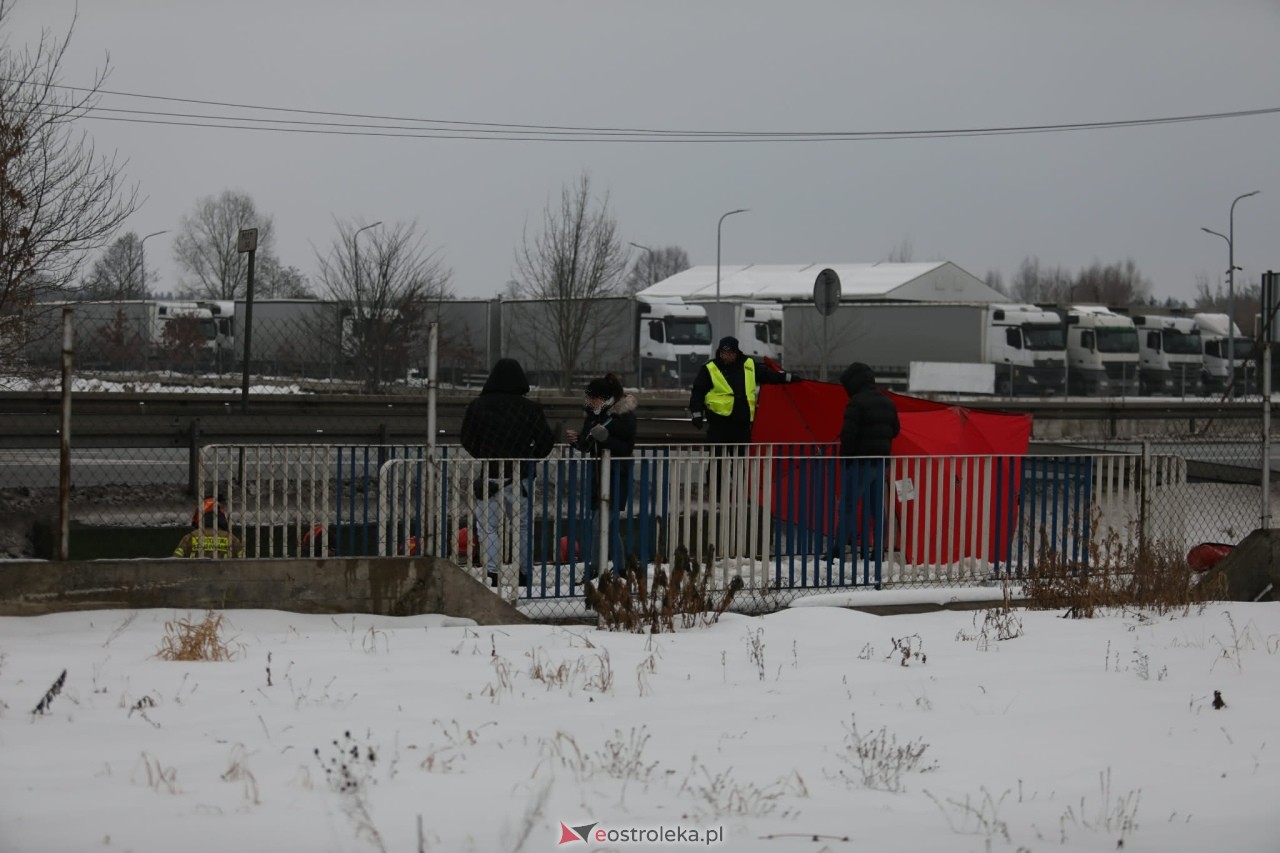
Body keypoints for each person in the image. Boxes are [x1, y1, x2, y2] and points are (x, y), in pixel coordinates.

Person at [460, 358, 556, 586]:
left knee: (487, 526)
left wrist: (485, 456)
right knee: (522, 526)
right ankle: (523, 574)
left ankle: (492, 574)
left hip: (490, 477)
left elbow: (467, 439)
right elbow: (546, 442)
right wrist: (529, 459)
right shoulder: (531, 409)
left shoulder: (478, 406)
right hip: (522, 478)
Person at [564, 373, 637, 579]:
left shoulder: (622, 416)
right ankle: (621, 568)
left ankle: (596, 569)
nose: (590, 401)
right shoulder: (594, 415)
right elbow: (589, 445)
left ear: (604, 398)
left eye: (593, 397)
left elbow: (626, 447)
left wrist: (605, 439)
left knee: (600, 523)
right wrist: (578, 441)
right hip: (598, 476)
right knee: (609, 525)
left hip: (616, 476)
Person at [835, 362, 900, 570]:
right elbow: (895, 430)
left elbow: (849, 435)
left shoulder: (856, 403)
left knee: (847, 506)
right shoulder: (887, 402)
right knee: (877, 508)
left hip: (860, 463)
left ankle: (838, 552)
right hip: (881, 463)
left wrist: (845, 459)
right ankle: (878, 551)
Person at [688, 336, 801, 445]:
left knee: (740, 461)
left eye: (730, 354)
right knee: (717, 461)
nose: (726, 357)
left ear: (736, 353)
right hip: (718, 423)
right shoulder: (709, 368)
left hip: (742, 422)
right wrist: (697, 414)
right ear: (720, 353)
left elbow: (768, 375)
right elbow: (698, 392)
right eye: (724, 353)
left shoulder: (749, 365)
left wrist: (788, 377)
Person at [174, 508, 245, 559]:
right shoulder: (230, 537)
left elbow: (177, 555)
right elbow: (242, 557)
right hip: (223, 573)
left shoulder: (192, 535)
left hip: (195, 572)